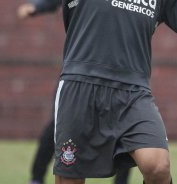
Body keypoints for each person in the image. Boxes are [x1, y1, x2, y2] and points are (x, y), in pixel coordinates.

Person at [19, 0, 177, 184]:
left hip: (134, 92)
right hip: (80, 84)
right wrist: (38, 5)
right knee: (70, 176)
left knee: (157, 167)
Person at [17, 2, 130, 184]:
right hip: (79, 73)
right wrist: (37, 6)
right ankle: (36, 178)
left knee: (124, 130)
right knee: (58, 126)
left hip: (118, 74)